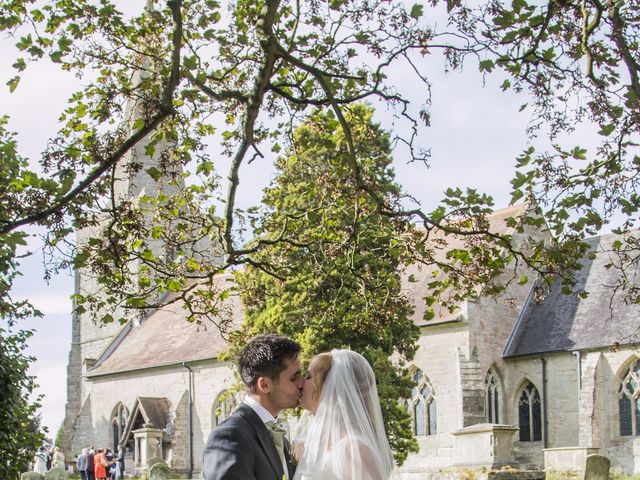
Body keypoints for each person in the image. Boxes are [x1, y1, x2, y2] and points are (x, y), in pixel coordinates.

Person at [202, 333, 303, 480]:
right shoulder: (230, 436)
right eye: (294, 378)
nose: (301, 384)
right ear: (265, 385)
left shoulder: (281, 440)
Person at [293, 349, 395, 480]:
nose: (301, 383)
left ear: (329, 386)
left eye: (308, 377)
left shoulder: (355, 449)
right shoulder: (316, 440)